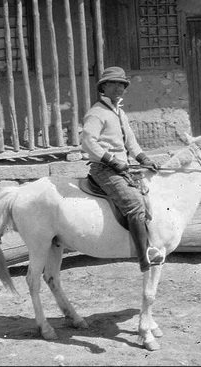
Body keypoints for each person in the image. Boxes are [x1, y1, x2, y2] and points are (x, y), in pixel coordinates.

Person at [81, 66, 163, 272]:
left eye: (122, 84)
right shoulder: (96, 113)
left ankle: (150, 244)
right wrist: (111, 160)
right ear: (104, 87)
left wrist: (143, 158)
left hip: (122, 167)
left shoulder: (119, 112)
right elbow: (88, 142)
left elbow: (131, 142)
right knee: (135, 205)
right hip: (104, 169)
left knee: (147, 196)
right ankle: (143, 257)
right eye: (114, 84)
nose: (119, 88)